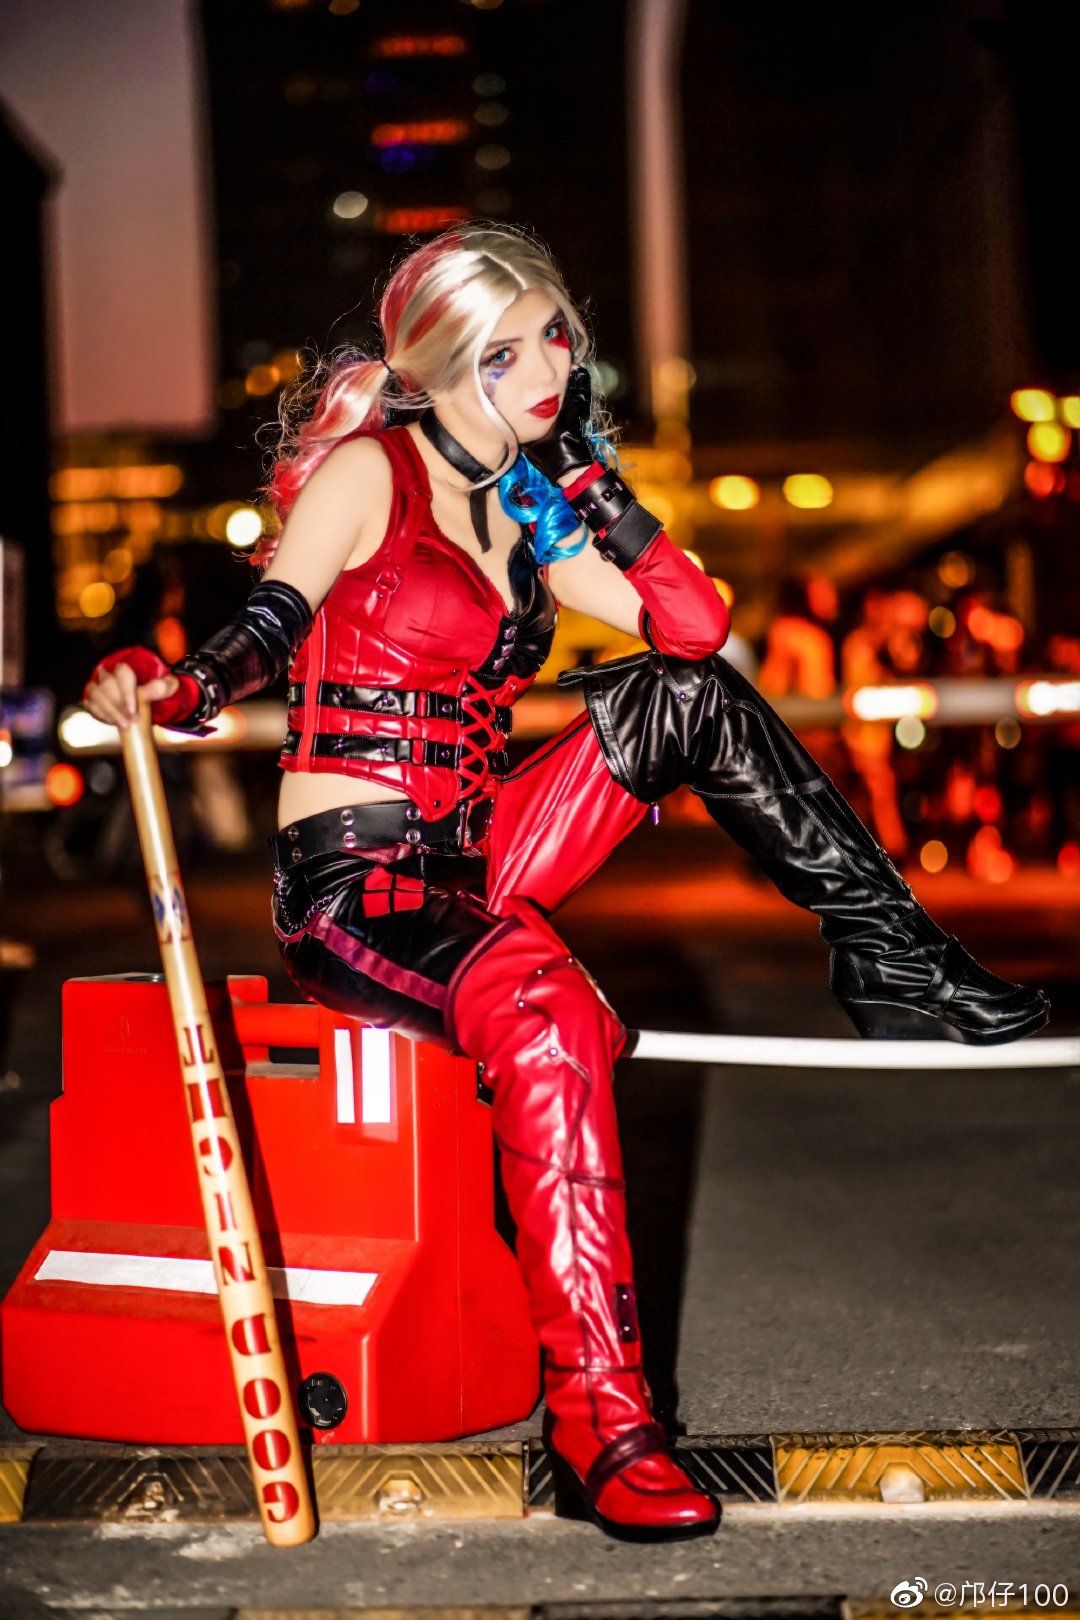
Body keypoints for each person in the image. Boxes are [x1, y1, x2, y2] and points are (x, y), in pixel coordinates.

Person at [83, 226, 1048, 1542]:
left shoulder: (533, 505)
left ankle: (889, 949)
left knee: (686, 697)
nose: (545, 368)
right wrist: (180, 684)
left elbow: (695, 632)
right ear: (439, 362)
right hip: (358, 883)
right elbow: (269, 628)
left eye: (554, 338)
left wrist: (600, 493)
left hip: (484, 853)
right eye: (506, 350)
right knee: (546, 1012)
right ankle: (604, 1423)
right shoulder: (372, 473)